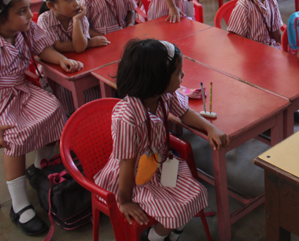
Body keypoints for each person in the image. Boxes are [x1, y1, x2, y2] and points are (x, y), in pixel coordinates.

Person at [0, 0, 82, 235]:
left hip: (19, 89)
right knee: (12, 134)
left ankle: (39, 167)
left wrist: (62, 59)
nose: (29, 15)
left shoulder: (24, 28)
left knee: (55, 111)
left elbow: (43, 49)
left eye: (27, 9)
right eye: (21, 11)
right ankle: (19, 204)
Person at [94, 39, 229, 241]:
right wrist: (125, 201)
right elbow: (126, 164)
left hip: (159, 164)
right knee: (174, 212)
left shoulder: (163, 95)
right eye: (178, 72)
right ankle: (152, 238)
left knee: (197, 195)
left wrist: (210, 128)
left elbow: (185, 113)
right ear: (157, 80)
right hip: (134, 177)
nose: (183, 75)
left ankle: (170, 233)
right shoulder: (126, 117)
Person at [37, 0, 110, 113]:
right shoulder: (44, 20)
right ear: (52, 5)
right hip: (56, 71)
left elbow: (80, 48)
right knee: (69, 99)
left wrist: (76, 21)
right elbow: (57, 46)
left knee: (99, 88)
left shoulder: (79, 16)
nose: (77, 3)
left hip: (82, 63)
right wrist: (89, 43)